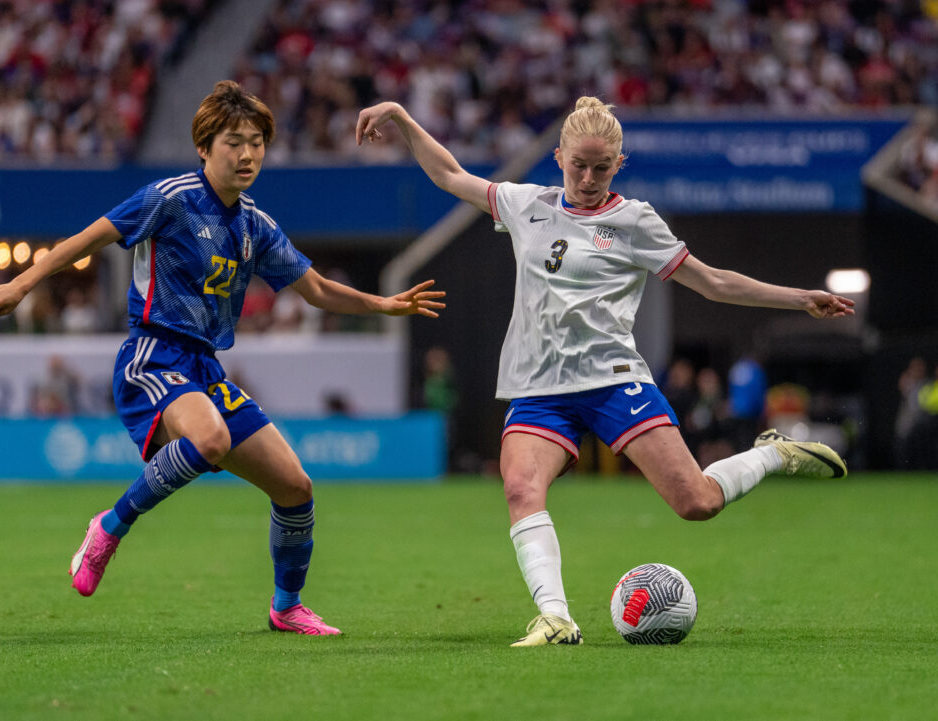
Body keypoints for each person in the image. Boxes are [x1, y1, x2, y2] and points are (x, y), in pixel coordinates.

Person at [355, 97, 853, 646]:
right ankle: (556, 617)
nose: (588, 178)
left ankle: (772, 452)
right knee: (521, 488)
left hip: (614, 380)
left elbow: (714, 283)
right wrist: (402, 117)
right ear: (558, 156)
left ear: (619, 164)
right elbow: (450, 175)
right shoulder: (526, 206)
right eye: (578, 165)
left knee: (697, 503)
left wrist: (799, 298)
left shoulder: (635, 221)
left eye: (601, 167)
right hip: (539, 388)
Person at [0, 80, 445, 636]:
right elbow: (88, 239)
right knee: (210, 440)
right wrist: (22, 283)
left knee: (296, 488)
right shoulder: (169, 197)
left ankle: (286, 606)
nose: (247, 153)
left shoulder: (256, 224)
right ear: (205, 147)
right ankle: (109, 526)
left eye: (256, 142)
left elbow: (317, 290)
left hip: (204, 367)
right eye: (233, 141)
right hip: (153, 355)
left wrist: (384, 305)